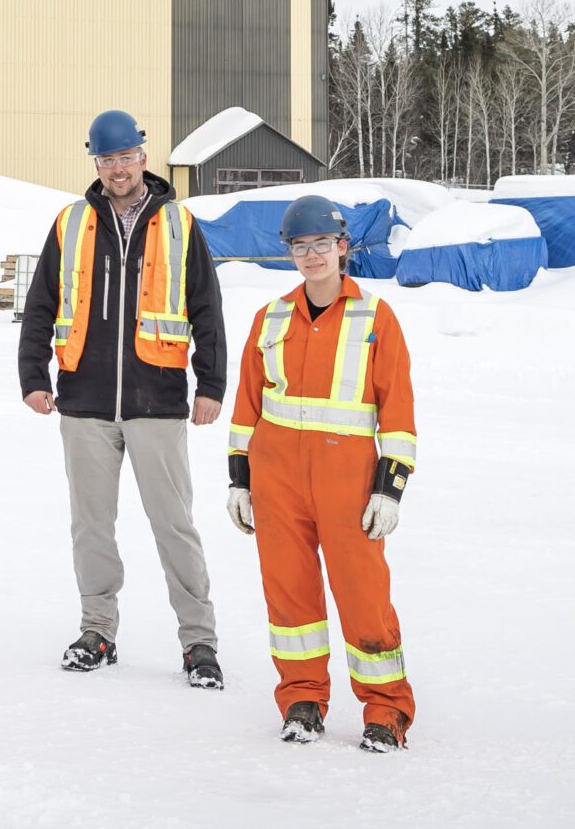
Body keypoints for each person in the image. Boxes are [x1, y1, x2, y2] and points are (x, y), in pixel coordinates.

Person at [19, 109, 228, 687]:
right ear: (96, 162)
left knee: (174, 526)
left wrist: (210, 385)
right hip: (83, 401)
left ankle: (199, 642)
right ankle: (97, 630)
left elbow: (206, 308)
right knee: (91, 525)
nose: (117, 168)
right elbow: (40, 305)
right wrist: (33, 376)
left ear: (144, 156)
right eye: (105, 159)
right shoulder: (72, 222)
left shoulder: (179, 223)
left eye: (125, 157)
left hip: (157, 401)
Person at [225, 194, 418, 749]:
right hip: (277, 478)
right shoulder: (271, 318)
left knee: (363, 594)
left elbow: (398, 409)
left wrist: (391, 486)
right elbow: (249, 403)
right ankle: (303, 700)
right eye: (299, 246)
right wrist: (240, 478)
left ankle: (386, 710)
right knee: (290, 597)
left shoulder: (376, 318)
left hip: (347, 481)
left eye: (321, 245)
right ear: (290, 254)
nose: (311, 256)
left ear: (342, 248)